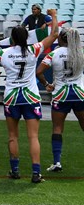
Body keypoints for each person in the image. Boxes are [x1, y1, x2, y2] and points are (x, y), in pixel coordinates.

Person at [0, 10, 58, 183]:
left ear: (12, 38)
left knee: (13, 136)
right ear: (27, 37)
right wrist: (53, 16)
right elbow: (54, 34)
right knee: (33, 137)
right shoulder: (34, 49)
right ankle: (36, 173)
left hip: (11, 97)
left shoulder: (3, 53)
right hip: (31, 97)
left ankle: (15, 170)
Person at [36, 24, 83, 173]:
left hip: (61, 94)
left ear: (61, 39)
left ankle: (57, 162)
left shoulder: (54, 54)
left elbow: (39, 72)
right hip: (79, 94)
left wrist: (47, 84)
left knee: (57, 128)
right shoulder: (81, 52)